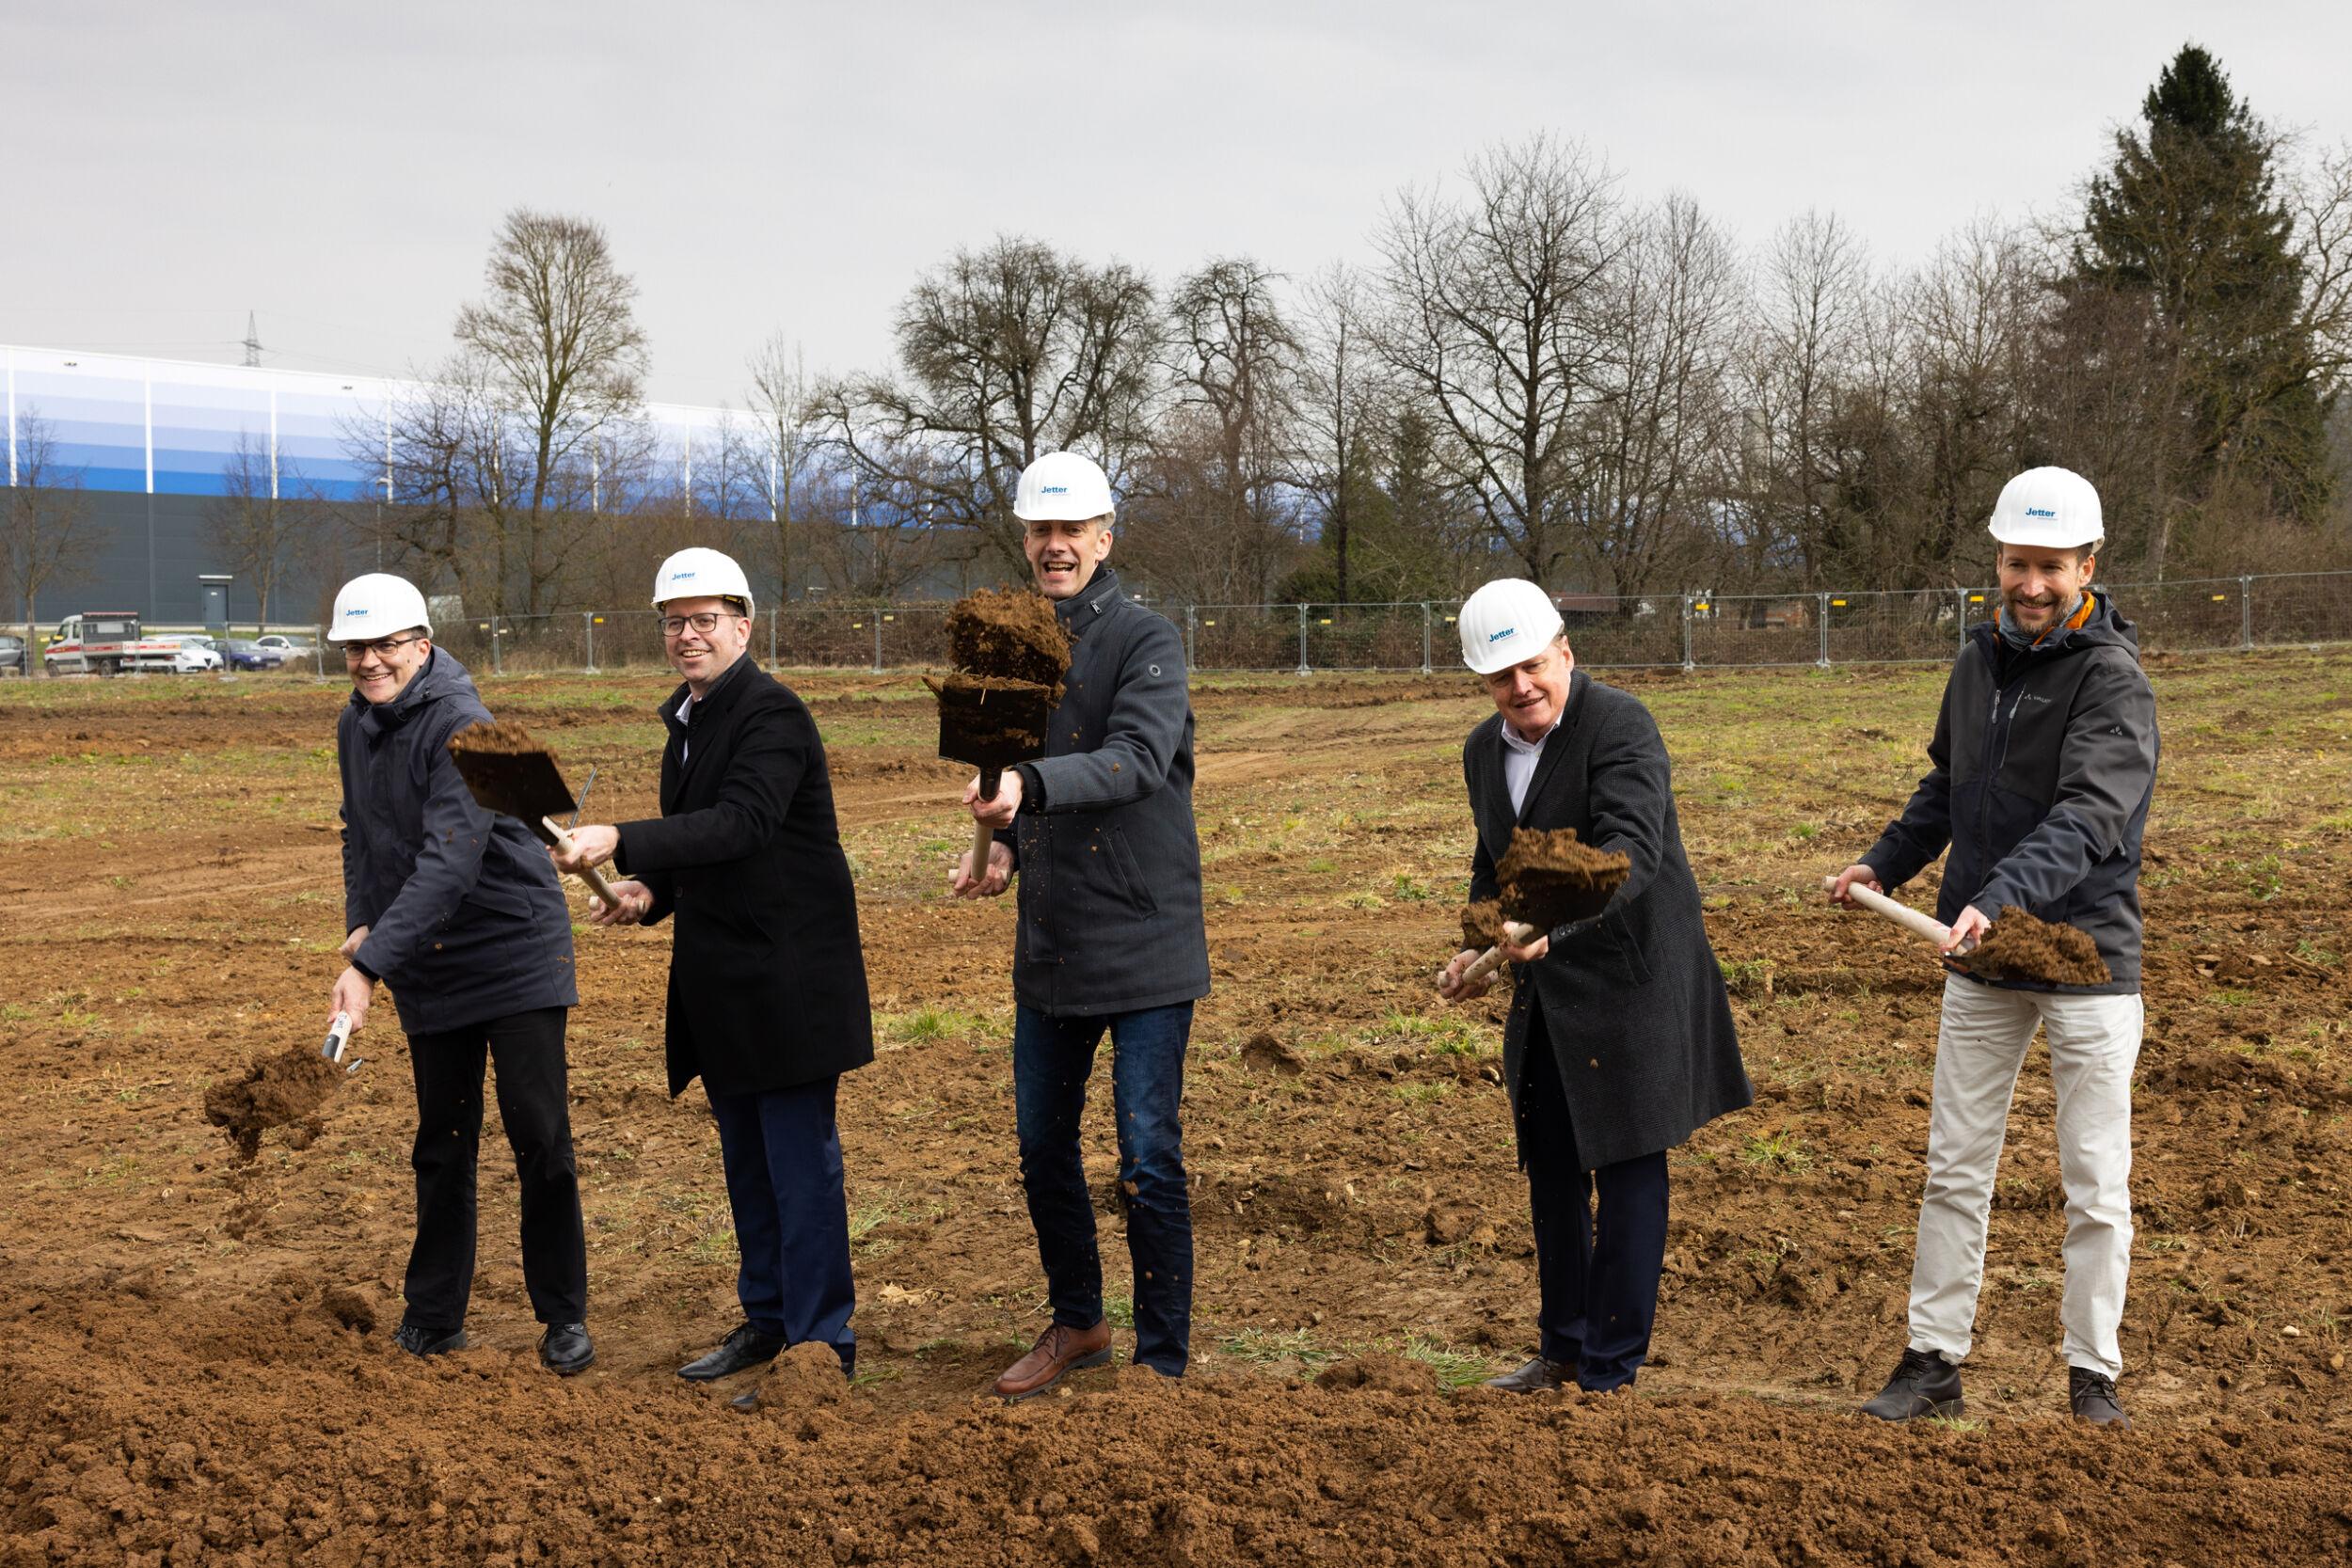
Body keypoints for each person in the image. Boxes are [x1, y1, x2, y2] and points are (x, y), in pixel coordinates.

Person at [1831, 467, 2156, 1430]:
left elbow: (2090, 814)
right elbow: (1945, 786)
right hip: (1982, 956)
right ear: (1999, 563)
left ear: (2085, 566)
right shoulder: (1976, 663)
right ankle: (1932, 1362)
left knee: (2094, 1182)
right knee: (1953, 1164)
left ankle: (2091, 1376)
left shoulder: (2112, 680)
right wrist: (1880, 864)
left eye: (2051, 566)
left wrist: (1998, 896)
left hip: (2085, 959)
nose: (2031, 583)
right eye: (2017, 563)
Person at [551, 547, 873, 1386]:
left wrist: (620, 835)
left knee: (801, 1172)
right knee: (751, 1170)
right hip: (726, 987)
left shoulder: (773, 715)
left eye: (703, 620)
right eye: (673, 623)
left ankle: (821, 1345)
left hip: (790, 983)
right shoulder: (688, 722)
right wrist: (647, 892)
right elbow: (702, 847)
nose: (687, 636)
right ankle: (768, 1320)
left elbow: (743, 825)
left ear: (743, 624)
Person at [1436, 578, 1751, 1395]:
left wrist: (1554, 932)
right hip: (1545, 995)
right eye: (1501, 677)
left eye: (1534, 666)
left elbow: (1633, 853)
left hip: (1628, 981)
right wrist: (1475, 949)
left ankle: (1611, 1371)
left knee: (1630, 1172)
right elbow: (1492, 869)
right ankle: (1563, 1350)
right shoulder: (1482, 751)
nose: (1522, 688)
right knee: (1551, 1170)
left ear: (1565, 653)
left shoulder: (1620, 726)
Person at [950, 451, 1210, 1398]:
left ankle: (1163, 1357)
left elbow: (1135, 758)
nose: (1055, 546)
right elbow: (1005, 780)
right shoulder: (1009, 648)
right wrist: (1003, 845)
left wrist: (1027, 786)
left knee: (1146, 1155)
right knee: (1039, 1146)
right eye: (1039, 531)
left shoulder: (1147, 639)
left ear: (1105, 536)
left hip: (1145, 939)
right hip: (1052, 944)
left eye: (1072, 530)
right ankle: (1080, 1321)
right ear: (1026, 540)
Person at [324, 573, 592, 1374]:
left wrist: (371, 966)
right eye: (356, 648)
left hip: (512, 951)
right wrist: (360, 921)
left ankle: (564, 1316)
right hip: (430, 960)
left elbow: (450, 862)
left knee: (539, 1136)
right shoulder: (356, 724)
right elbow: (359, 833)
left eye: (386, 645)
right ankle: (435, 1314)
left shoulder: (461, 724)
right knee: (441, 1142)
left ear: (423, 645)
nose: (371, 661)